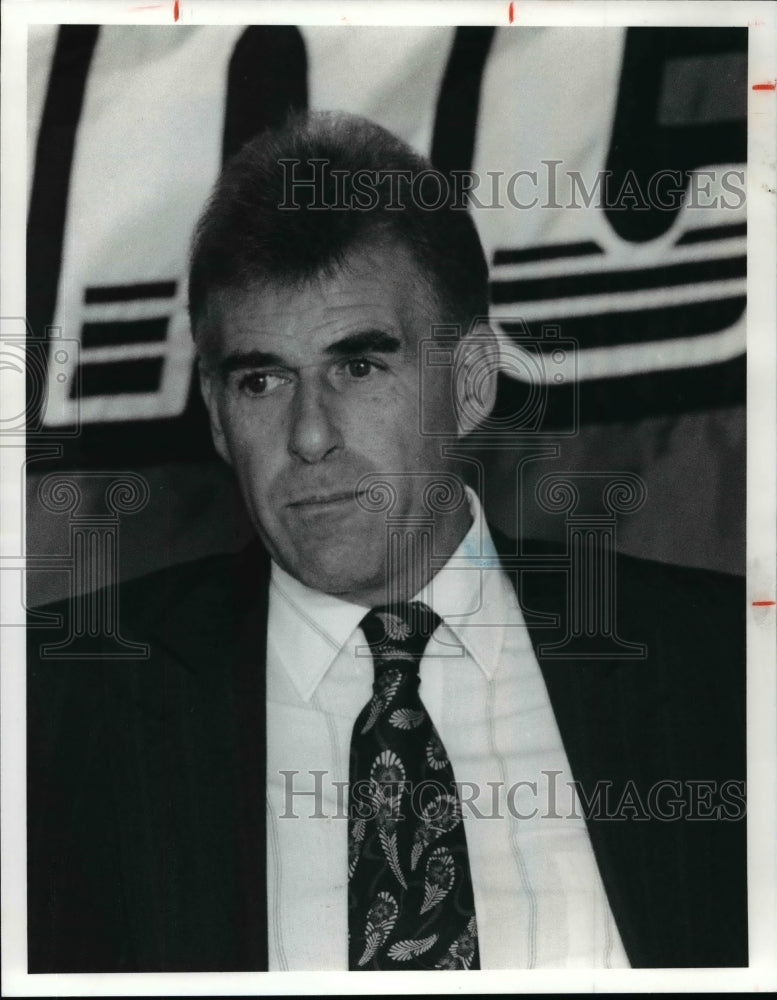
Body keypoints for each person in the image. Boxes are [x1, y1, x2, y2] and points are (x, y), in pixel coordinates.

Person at [27, 112, 747, 973]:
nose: (308, 435)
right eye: (261, 380)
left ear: (473, 382)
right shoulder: (50, 709)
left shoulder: (728, 669)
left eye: (359, 366)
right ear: (218, 419)